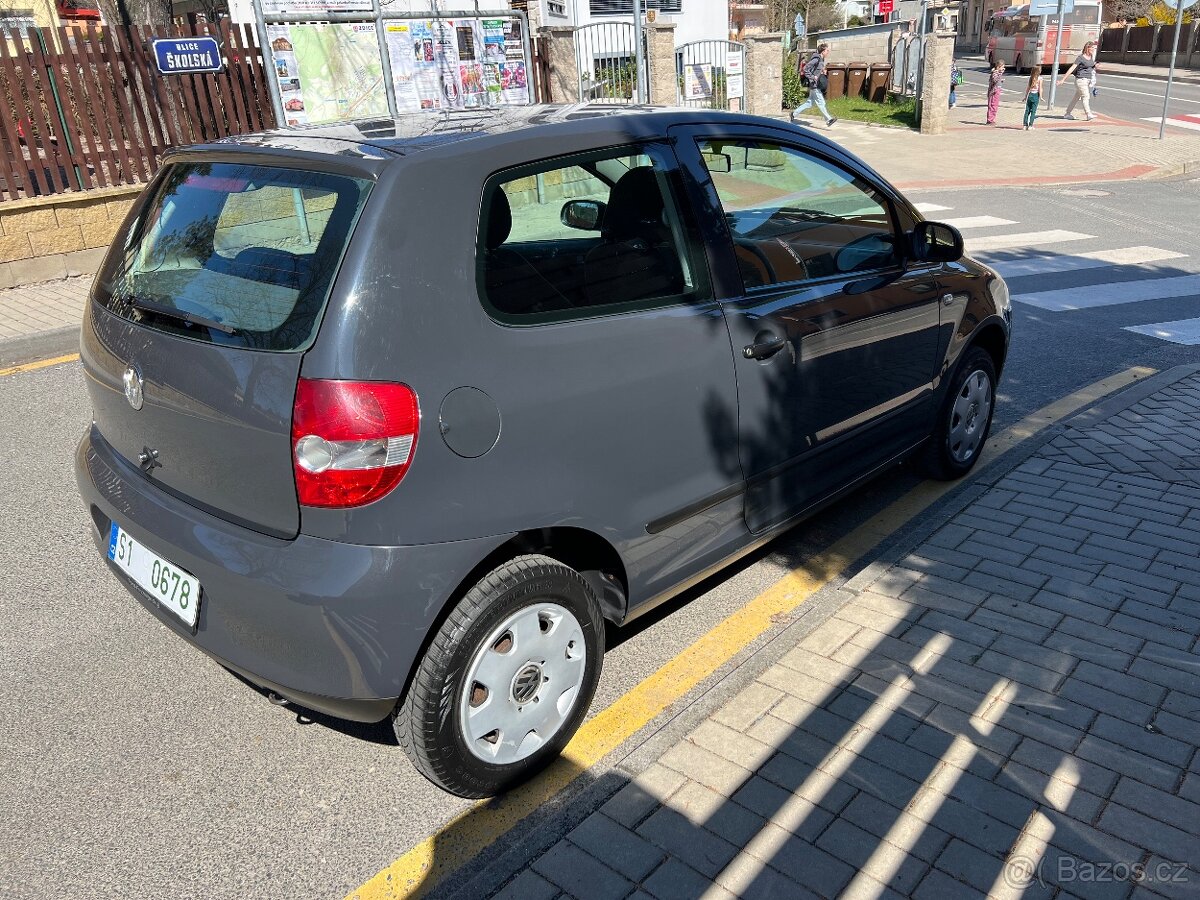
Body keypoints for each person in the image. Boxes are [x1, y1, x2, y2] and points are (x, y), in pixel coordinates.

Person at [791, 43, 837, 128]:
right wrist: (813, 77)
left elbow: (816, 69)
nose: (828, 52)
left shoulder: (821, 59)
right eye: (827, 50)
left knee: (809, 103)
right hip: (815, 84)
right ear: (823, 51)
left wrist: (822, 71)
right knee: (821, 102)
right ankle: (829, 120)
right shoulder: (817, 59)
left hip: (815, 84)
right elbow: (805, 69)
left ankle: (794, 113)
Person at [1059, 41, 1098, 121]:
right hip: (1081, 80)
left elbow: (1090, 67)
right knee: (1086, 96)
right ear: (1088, 48)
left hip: (1087, 80)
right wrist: (1063, 79)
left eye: (1094, 48)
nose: (1094, 49)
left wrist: (1095, 66)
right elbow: (1072, 68)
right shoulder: (1080, 57)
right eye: (1093, 48)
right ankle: (1088, 114)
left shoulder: (1091, 56)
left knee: (1076, 98)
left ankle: (1067, 113)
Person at [1022, 65, 1042, 130]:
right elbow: (1040, 88)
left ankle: (1025, 125)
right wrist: (1041, 96)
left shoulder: (1031, 78)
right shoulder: (1040, 79)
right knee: (1033, 111)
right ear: (1039, 71)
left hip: (1030, 95)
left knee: (1027, 110)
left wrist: (1025, 96)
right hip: (1035, 95)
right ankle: (1030, 125)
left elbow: (1028, 88)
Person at [986, 58, 1005, 125]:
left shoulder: (997, 73)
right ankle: (990, 120)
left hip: (997, 90)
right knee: (993, 105)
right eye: (1002, 67)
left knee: (995, 106)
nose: (1003, 68)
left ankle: (992, 119)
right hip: (993, 92)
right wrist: (1000, 73)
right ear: (998, 66)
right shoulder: (995, 72)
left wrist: (1001, 80)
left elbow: (997, 80)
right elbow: (995, 80)